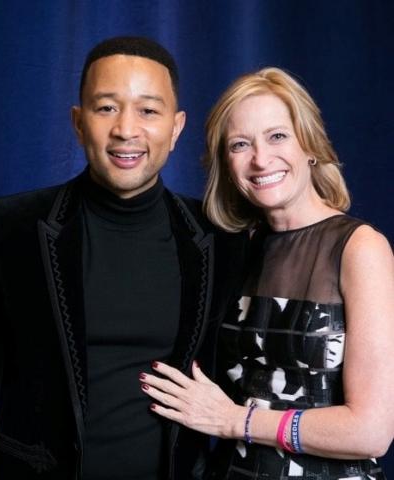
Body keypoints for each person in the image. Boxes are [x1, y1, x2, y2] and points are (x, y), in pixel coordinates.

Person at [0, 36, 247, 480]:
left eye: (148, 110)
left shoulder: (220, 238)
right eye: (106, 107)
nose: (126, 129)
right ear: (77, 122)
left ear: (176, 126)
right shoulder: (8, 227)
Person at [140, 67, 394, 479]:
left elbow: (371, 431)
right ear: (226, 162)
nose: (260, 159)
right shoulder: (234, 248)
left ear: (309, 145)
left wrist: (235, 420)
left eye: (277, 136)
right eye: (240, 144)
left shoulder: (360, 248)